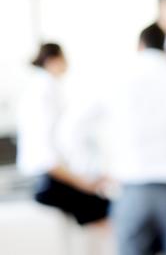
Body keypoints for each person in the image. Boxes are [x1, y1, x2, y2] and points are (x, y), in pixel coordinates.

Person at [106, 23, 166, 255]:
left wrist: (92, 170)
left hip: (132, 190)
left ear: (140, 45)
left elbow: (70, 129)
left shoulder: (118, 77)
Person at [16, 43, 110, 226]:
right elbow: (47, 158)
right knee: (106, 209)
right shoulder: (42, 94)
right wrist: (84, 183)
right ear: (53, 60)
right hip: (47, 181)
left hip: (51, 175)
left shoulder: (45, 90)